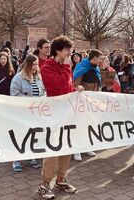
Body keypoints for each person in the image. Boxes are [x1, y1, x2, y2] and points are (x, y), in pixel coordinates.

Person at [38, 35, 84, 199]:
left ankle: (60, 179)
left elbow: (67, 88)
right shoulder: (46, 67)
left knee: (67, 147)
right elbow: (59, 86)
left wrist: (75, 89)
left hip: (67, 114)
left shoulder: (66, 67)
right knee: (53, 149)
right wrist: (66, 68)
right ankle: (44, 183)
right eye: (67, 50)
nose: (69, 53)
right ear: (58, 51)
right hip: (53, 114)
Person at [10, 54, 46, 172]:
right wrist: (30, 101)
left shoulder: (39, 78)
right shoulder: (18, 78)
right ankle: (16, 159)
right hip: (22, 113)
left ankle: (30, 157)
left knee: (33, 135)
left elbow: (43, 91)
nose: (35, 67)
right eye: (33, 64)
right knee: (20, 136)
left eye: (37, 64)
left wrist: (42, 99)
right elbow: (14, 95)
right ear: (28, 64)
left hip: (35, 113)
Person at [72, 49, 103, 161]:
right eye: (99, 58)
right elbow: (74, 85)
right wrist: (77, 88)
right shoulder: (82, 68)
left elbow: (98, 84)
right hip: (81, 103)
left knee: (89, 125)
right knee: (79, 125)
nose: (101, 60)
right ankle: (76, 150)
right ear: (94, 58)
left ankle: (86, 146)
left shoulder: (96, 68)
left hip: (92, 103)